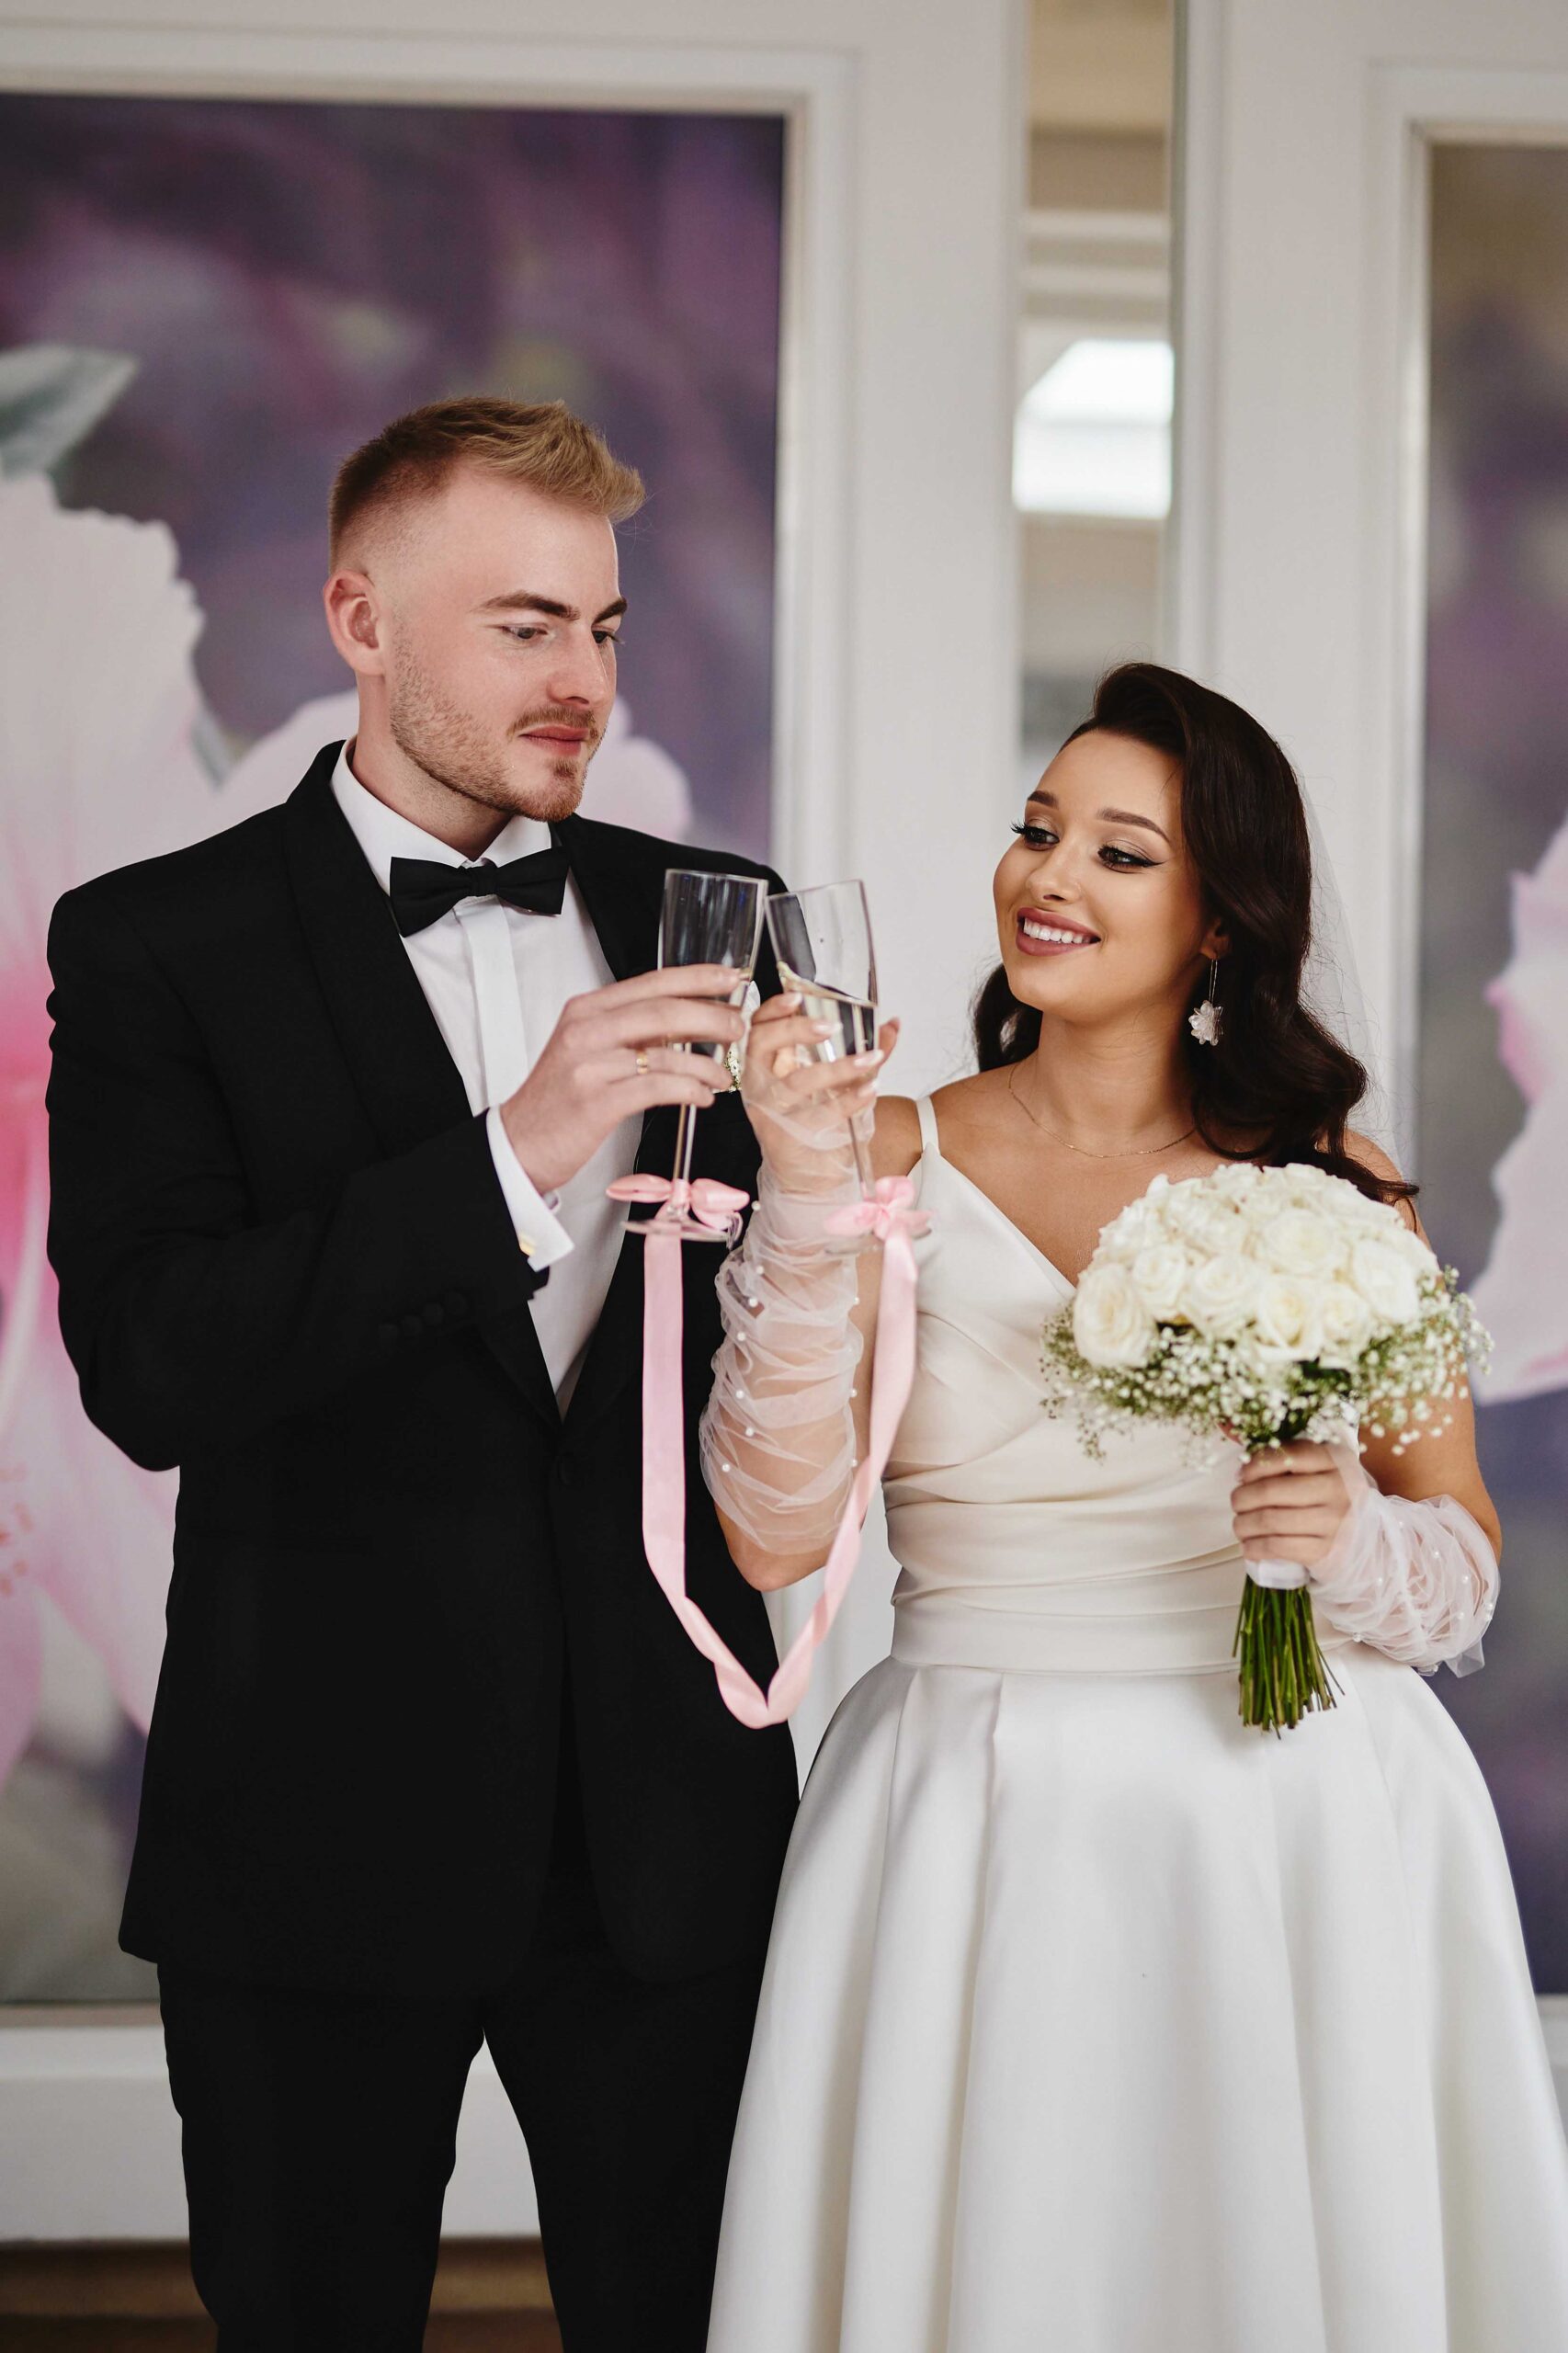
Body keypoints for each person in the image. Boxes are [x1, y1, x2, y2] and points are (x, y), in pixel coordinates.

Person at [44, 396, 799, 2352]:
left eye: (603, 628)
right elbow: (152, 1365)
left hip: (666, 1824)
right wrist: (510, 1153)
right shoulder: (153, 944)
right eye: (523, 626)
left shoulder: (718, 914)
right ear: (359, 622)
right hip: (314, 1815)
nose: (582, 683)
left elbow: (780, 1318)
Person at [699, 662, 1568, 2353]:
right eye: (1037, 831)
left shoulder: (1331, 1181)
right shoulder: (874, 1157)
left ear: (1217, 922)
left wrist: (1345, 1541)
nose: (1047, 877)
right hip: (969, 1806)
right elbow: (770, 1539)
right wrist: (801, 1200)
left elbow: (1456, 1559)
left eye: (1118, 851)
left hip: (1288, 1809)